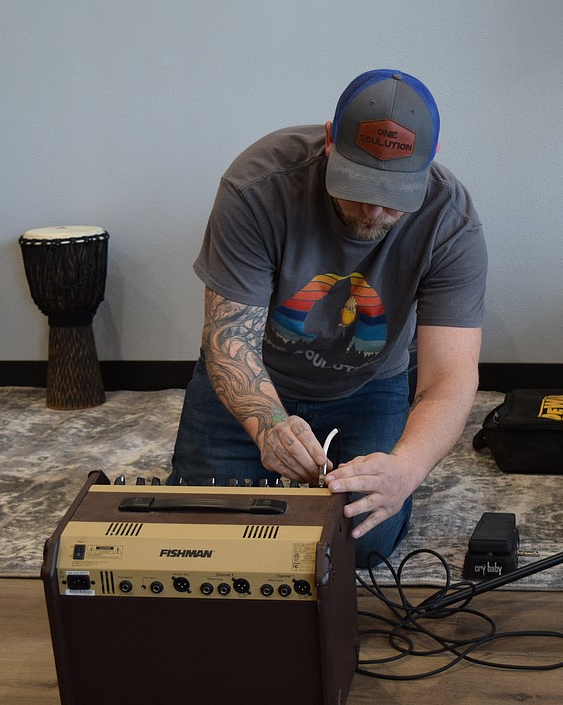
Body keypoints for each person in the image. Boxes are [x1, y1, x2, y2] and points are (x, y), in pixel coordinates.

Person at [168, 69, 487, 568]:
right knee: (204, 534)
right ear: (330, 141)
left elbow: (449, 377)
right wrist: (269, 427)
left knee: (361, 540)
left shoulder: (452, 220)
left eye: (394, 193)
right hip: (256, 374)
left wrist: (405, 469)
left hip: (370, 384)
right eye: (359, 184)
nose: (375, 208)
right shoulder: (258, 185)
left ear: (430, 161)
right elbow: (230, 340)